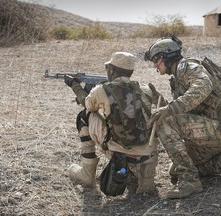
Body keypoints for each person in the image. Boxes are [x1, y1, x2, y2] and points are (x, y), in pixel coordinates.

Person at [144, 35, 221, 199]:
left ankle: (190, 181)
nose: (155, 65)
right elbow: (183, 112)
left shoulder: (186, 66)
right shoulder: (178, 76)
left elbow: (204, 85)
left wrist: (169, 108)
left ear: (166, 57)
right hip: (217, 128)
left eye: (156, 59)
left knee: (164, 122)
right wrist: (158, 98)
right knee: (174, 172)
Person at [64, 51, 167, 195]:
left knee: (85, 115)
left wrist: (75, 86)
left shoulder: (101, 91)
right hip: (147, 152)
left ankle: (87, 174)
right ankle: (145, 179)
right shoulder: (146, 90)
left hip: (118, 151)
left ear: (111, 70)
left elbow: (87, 104)